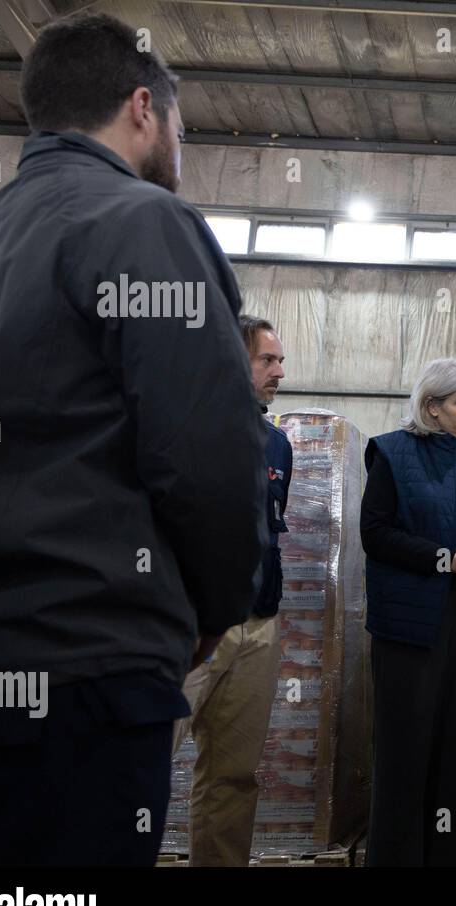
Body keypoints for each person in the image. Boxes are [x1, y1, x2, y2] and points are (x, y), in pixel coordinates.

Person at [0, 12, 266, 866]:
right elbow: (208, 457)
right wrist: (216, 609)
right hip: (85, 684)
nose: (180, 147)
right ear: (141, 107)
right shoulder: (145, 224)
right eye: (182, 125)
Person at [361, 358, 456, 866]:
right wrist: (448, 561)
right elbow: (377, 534)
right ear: (431, 406)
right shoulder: (391, 453)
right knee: (406, 749)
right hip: (410, 625)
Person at [173, 316, 291, 866]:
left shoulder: (277, 445)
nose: (280, 372)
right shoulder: (181, 428)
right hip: (188, 627)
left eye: (280, 361)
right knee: (139, 765)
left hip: (258, 629)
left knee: (233, 777)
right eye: (267, 360)